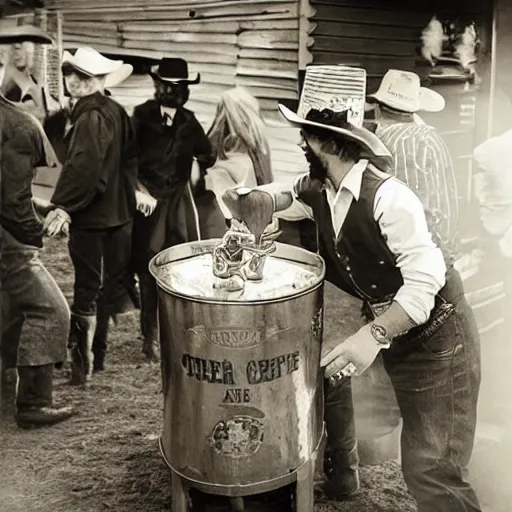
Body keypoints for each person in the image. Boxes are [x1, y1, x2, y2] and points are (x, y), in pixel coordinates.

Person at [223, 104, 482, 511]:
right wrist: (249, 201)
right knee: (340, 389)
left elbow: (424, 284)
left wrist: (374, 336)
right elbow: (287, 194)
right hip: (398, 330)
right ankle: (344, 475)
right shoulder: (323, 189)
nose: (301, 145)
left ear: (327, 143)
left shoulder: (391, 199)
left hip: (439, 338)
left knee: (432, 469)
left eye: (306, 138)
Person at [44, 47, 139, 383]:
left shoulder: (89, 117)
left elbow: (84, 169)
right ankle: (96, 359)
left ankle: (80, 369)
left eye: (83, 76)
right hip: (119, 217)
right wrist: (128, 198)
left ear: (99, 79)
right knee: (103, 287)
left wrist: (63, 206)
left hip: (92, 218)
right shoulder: (116, 110)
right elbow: (128, 162)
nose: (74, 82)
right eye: (70, 73)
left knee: (87, 289)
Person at [0, 25, 75, 428]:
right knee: (50, 310)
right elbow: (11, 204)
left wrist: (40, 205)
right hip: (7, 244)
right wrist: (37, 235)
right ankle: (32, 404)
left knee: (8, 311)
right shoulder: (17, 125)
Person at [131, 57, 215, 361]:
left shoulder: (190, 122)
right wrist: (138, 190)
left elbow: (207, 154)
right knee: (146, 269)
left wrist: (196, 166)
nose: (173, 91)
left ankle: (177, 334)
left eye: (180, 87)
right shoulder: (140, 116)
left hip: (177, 207)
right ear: (157, 86)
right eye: (167, 85)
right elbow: (127, 158)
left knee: (178, 268)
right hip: (147, 206)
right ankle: (149, 338)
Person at [365, 69, 460, 263]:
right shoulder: (429, 140)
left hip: (384, 254)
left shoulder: (368, 143)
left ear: (378, 107)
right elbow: (443, 206)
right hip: (427, 253)